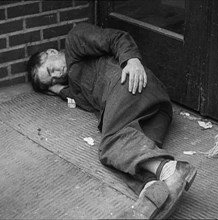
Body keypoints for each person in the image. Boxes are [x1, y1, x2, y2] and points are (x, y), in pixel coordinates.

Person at [27, 22, 197, 219]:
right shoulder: (74, 87)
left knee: (111, 145)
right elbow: (68, 93)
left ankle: (172, 170)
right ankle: (155, 191)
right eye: (52, 80)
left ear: (50, 52)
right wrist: (54, 89)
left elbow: (115, 38)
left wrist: (131, 59)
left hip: (130, 84)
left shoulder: (74, 40)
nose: (57, 75)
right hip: (156, 113)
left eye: (50, 70)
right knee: (122, 158)